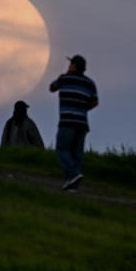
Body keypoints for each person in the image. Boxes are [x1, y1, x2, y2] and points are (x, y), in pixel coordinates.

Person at [49, 54, 98, 190]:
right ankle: (72, 185)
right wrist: (82, 109)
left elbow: (51, 88)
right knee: (76, 154)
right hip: (82, 123)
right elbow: (95, 102)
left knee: (62, 150)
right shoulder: (90, 83)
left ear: (74, 66)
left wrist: (66, 75)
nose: (68, 66)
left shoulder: (64, 78)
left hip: (67, 121)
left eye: (70, 64)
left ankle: (73, 174)